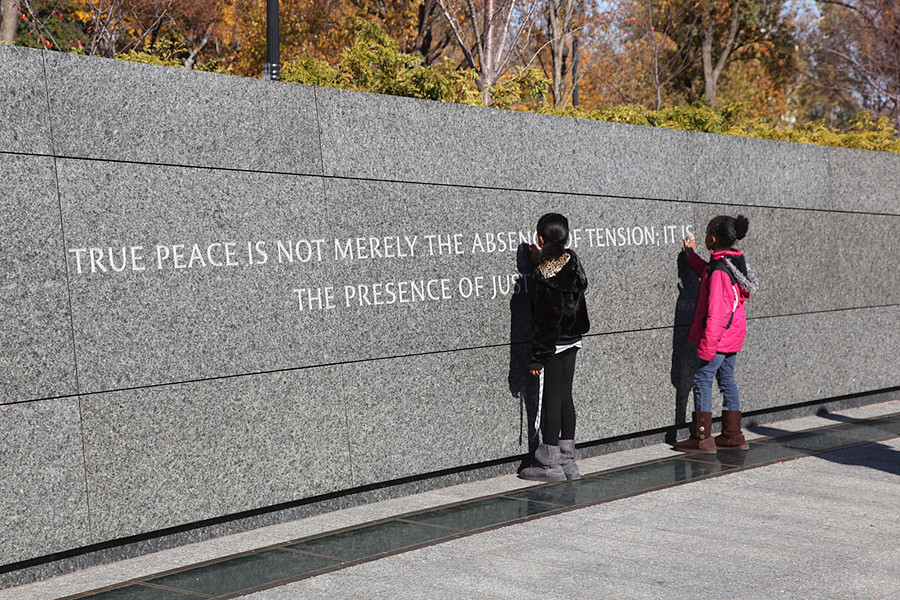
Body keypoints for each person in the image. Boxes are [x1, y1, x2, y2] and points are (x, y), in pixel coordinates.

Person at [674, 214, 759, 454]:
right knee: (727, 379)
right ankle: (733, 435)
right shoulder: (730, 262)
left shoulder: (721, 270)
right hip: (732, 335)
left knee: (702, 379)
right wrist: (690, 256)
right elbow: (708, 271)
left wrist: (708, 345)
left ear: (712, 238)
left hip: (719, 337)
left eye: (706, 232)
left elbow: (718, 313)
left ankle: (702, 438)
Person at [519, 213, 590, 482]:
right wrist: (542, 260)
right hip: (573, 339)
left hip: (553, 344)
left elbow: (546, 319)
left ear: (539, 240)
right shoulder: (572, 261)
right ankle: (567, 459)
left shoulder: (544, 275)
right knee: (565, 396)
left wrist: (537, 357)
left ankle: (549, 463)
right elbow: (559, 273)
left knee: (550, 399)